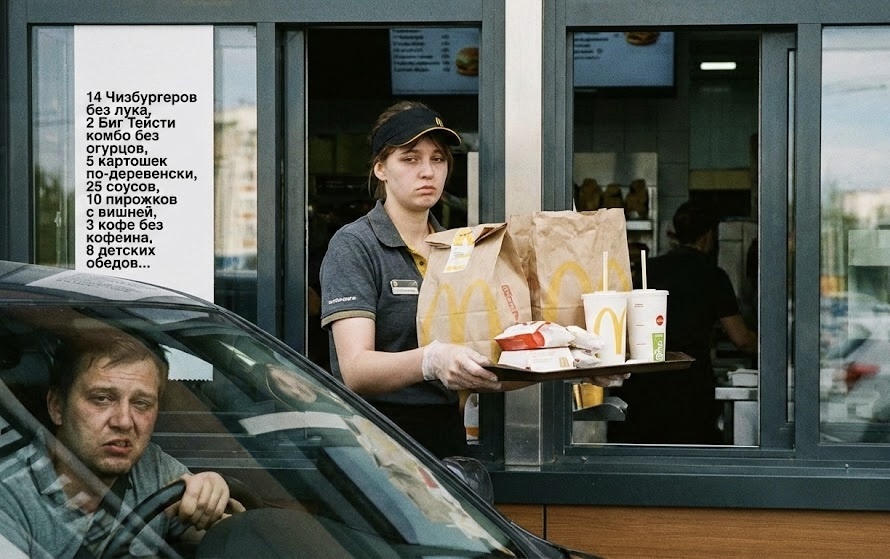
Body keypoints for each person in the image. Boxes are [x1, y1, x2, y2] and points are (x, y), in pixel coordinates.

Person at [320, 101, 623, 458]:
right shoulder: (355, 245)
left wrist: (572, 363)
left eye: (438, 158)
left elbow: (489, 364)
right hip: (374, 436)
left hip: (445, 435)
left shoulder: (456, 248)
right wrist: (430, 361)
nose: (428, 171)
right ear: (381, 169)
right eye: (410, 158)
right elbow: (355, 369)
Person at [0, 330, 243, 558]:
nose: (124, 422)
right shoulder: (10, 496)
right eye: (102, 398)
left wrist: (213, 493)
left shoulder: (153, 467)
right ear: (56, 407)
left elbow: (228, 540)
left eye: (141, 403)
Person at [609, 201, 757, 444]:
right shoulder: (713, 276)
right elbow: (741, 339)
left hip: (644, 386)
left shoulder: (649, 270)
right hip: (690, 388)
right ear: (709, 235)